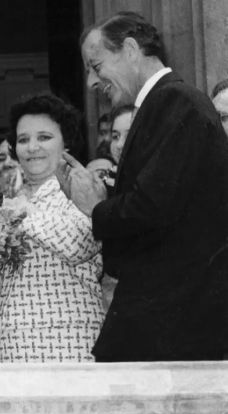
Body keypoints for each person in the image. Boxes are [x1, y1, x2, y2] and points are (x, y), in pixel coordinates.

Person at [69, 11, 228, 363]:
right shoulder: (165, 103)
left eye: (96, 66)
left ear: (129, 49)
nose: (92, 82)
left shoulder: (176, 101)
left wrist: (96, 207)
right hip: (167, 316)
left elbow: (153, 206)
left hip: (175, 320)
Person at [0, 93, 105, 363]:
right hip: (11, 339)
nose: (32, 147)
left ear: (66, 143)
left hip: (71, 337)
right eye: (23, 140)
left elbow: (78, 244)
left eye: (44, 137)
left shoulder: (83, 187)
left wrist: (17, 213)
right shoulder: (6, 200)